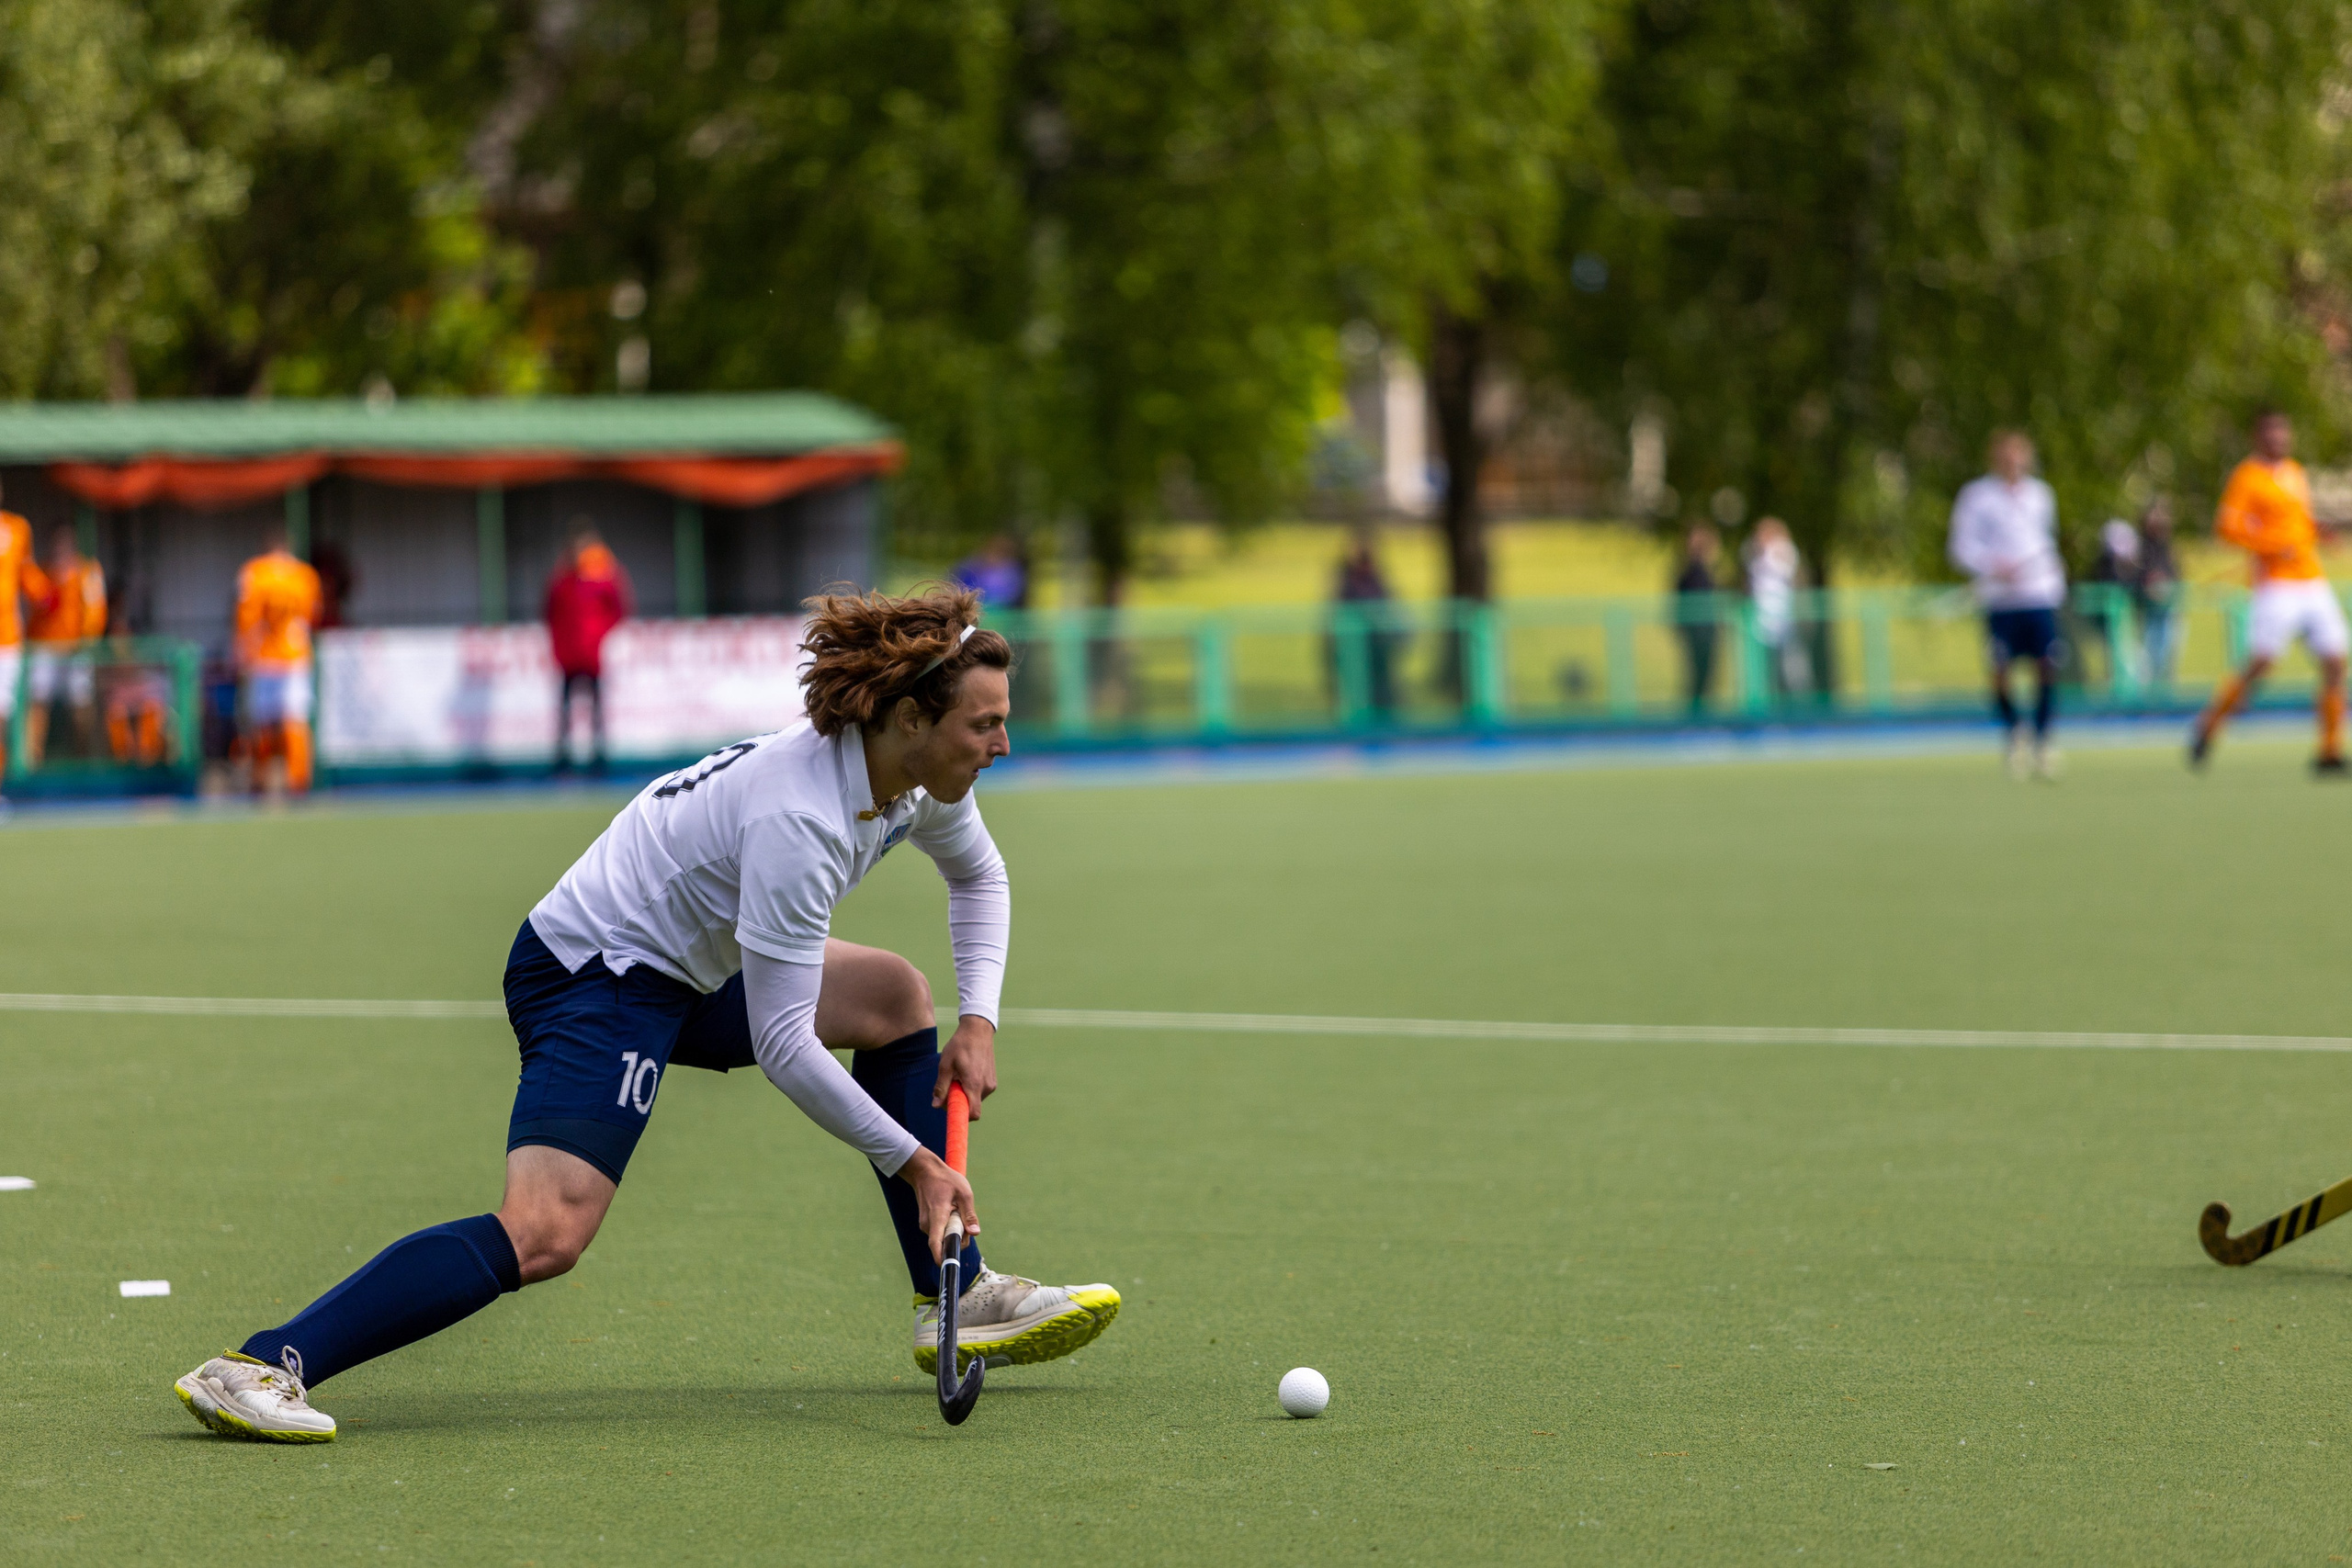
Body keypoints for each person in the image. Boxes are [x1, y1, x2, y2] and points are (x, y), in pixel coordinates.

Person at [173, 585, 1119, 1443]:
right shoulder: (801, 818)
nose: (1002, 744)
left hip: (690, 966)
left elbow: (979, 875)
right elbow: (783, 1042)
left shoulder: (909, 779)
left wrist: (979, 1021)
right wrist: (912, 1161)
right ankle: (262, 1364)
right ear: (911, 717)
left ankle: (952, 1294)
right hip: (596, 972)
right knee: (547, 1230)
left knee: (896, 997)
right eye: (984, 725)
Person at [2188, 409, 2347, 773]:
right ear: (2258, 438)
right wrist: (2272, 545)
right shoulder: (2247, 477)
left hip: (2311, 578)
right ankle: (2209, 725)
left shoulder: (2294, 472)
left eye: (2283, 433)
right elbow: (2228, 527)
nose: (2279, 439)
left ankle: (2329, 750)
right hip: (2275, 584)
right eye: (2272, 434)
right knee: (2260, 664)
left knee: (2336, 660)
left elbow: (2298, 520)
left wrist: (2318, 531)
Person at [1949, 429, 2066, 779]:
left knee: (2048, 664)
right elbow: (1961, 548)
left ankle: (2044, 738)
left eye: (2020, 454)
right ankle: (2015, 730)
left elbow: (2046, 543)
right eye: (2007, 455)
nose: (2014, 461)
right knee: (2000, 671)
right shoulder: (1976, 496)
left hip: (2039, 594)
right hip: (2000, 599)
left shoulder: (2042, 496)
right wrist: (1992, 565)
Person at [234, 527, 323, 795]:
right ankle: (299, 782)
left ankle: (259, 781)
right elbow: (312, 615)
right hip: (295, 655)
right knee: (294, 719)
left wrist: (242, 649)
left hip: (265, 657)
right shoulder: (304, 575)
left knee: (263, 722)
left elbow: (245, 618)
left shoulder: (254, 572)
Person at [545, 526, 633, 773]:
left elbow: (618, 608)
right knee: (565, 711)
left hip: (592, 655)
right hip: (568, 655)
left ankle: (598, 757)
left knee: (596, 709)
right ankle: (564, 759)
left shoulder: (603, 578)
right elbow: (551, 613)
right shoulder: (562, 580)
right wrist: (558, 645)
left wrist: (600, 635)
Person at [24, 526, 107, 766]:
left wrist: (88, 641)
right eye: (56, 543)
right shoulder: (43, 571)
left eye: (65, 543)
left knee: (81, 707)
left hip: (76, 650)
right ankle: (32, 763)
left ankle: (86, 760)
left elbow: (95, 611)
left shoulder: (88, 570)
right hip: (44, 649)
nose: (60, 548)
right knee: (37, 704)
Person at [0, 480, 49, 781]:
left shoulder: (17, 528)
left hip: (7, 638)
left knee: (3, 711)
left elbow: (27, 574)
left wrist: (47, 594)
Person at [1333, 524, 1398, 716]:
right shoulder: (1349, 582)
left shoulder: (1376, 581)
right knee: (1356, 689)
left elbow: (1387, 606)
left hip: (1377, 644)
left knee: (1381, 687)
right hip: (1356, 646)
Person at [1744, 517, 1809, 700]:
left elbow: (1792, 575)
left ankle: (1798, 705)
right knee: (1763, 671)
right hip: (1761, 621)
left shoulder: (1783, 550)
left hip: (1784, 620)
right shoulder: (1754, 554)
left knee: (1791, 668)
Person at [1672, 525, 1722, 716]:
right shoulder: (1693, 572)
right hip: (1699, 631)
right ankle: (1696, 716)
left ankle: (1700, 714)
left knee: (1704, 677)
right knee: (1700, 676)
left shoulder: (1698, 571)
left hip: (1703, 630)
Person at [2135, 499, 2181, 691]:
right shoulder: (2141, 547)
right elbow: (2137, 574)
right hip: (2149, 610)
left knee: (2168, 652)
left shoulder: (2167, 547)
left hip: (2168, 607)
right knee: (2148, 654)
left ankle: (2164, 691)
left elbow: (2175, 573)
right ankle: (2148, 695)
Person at [949, 534, 1027, 610]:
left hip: (1001, 613)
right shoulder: (971, 566)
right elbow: (957, 586)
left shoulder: (1011, 571)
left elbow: (1011, 595)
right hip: (971, 608)